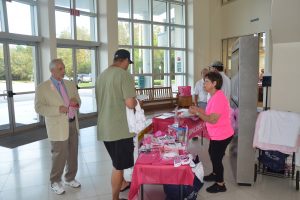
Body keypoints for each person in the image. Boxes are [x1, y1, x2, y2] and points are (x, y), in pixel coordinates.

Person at [35, 58, 81, 195]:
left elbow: (78, 99)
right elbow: (39, 108)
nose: (63, 71)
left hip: (72, 123)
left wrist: (75, 101)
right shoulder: (42, 88)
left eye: (64, 68)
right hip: (57, 127)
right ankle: (55, 181)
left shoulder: (70, 84)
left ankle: (70, 177)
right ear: (52, 70)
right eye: (60, 69)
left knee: (73, 153)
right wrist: (57, 110)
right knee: (59, 155)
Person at [96, 49, 137, 200]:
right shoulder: (123, 75)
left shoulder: (102, 75)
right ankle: (115, 198)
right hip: (119, 129)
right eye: (128, 63)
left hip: (104, 127)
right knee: (118, 166)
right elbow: (130, 103)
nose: (128, 66)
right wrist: (137, 101)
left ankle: (123, 183)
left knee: (116, 160)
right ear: (125, 60)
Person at [189, 71, 234, 193]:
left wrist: (198, 113)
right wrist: (197, 109)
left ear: (214, 83)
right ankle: (215, 174)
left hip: (223, 134)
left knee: (216, 158)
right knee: (212, 153)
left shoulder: (219, 98)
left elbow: (212, 119)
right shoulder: (214, 96)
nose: (204, 84)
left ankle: (221, 184)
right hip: (217, 134)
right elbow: (209, 113)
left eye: (207, 82)